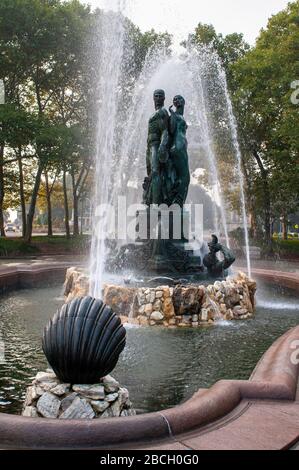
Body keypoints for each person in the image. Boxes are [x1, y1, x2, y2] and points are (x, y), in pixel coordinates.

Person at [143, 89, 170, 206]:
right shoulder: (155, 112)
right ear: (153, 98)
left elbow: (165, 131)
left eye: (160, 96)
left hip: (156, 144)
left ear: (164, 98)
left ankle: (155, 204)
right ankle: (150, 199)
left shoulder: (163, 112)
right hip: (149, 146)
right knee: (150, 173)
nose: (158, 98)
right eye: (156, 96)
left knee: (155, 172)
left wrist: (162, 146)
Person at [169, 95, 190, 207]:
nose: (176, 100)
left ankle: (176, 200)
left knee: (179, 176)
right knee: (185, 177)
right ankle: (178, 202)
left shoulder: (179, 116)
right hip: (178, 147)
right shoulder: (175, 115)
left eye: (179, 98)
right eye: (175, 99)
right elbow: (171, 131)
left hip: (179, 147)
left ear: (184, 101)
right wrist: (171, 115)